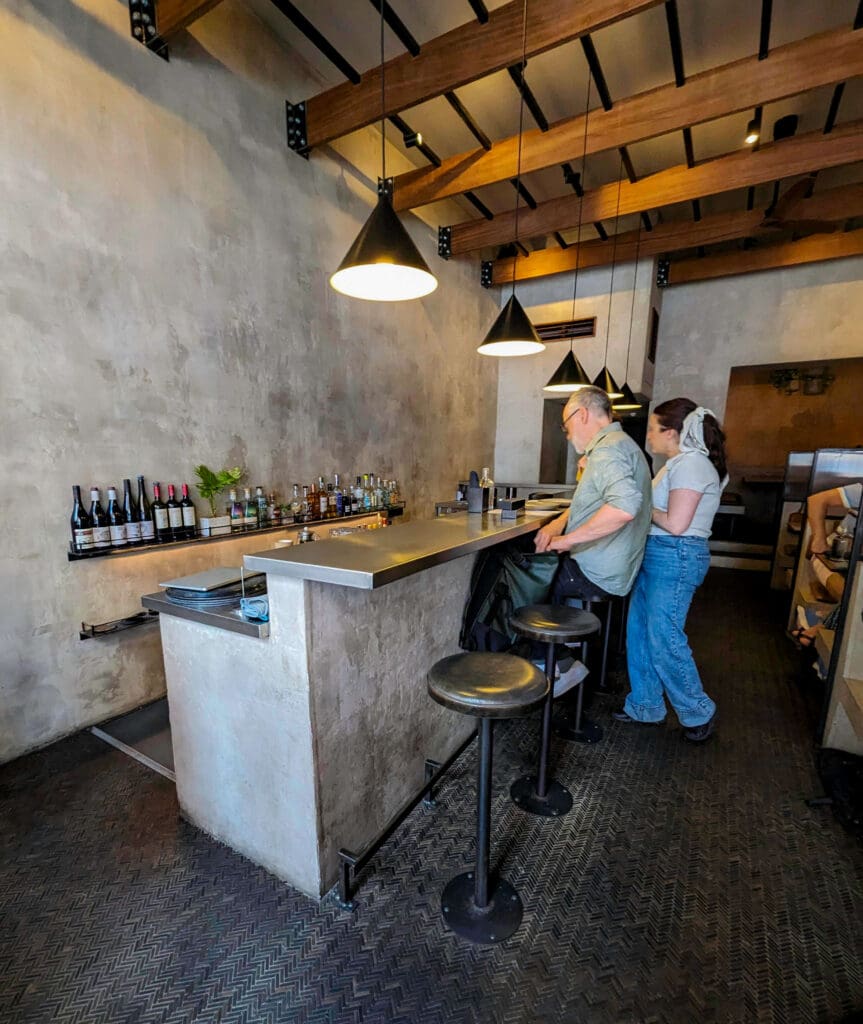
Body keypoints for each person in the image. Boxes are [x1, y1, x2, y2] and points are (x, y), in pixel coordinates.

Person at [615, 398, 728, 742]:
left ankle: (697, 712)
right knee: (640, 632)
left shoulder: (692, 465)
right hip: (660, 553)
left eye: (652, 429)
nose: (648, 436)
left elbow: (676, 524)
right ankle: (646, 705)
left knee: (665, 638)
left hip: (675, 554)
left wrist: (639, 503)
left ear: (672, 432)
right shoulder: (677, 464)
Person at [533, 386, 652, 697]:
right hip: (614, 568)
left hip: (598, 572)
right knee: (542, 572)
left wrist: (565, 542)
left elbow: (624, 507)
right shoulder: (623, 445)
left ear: (581, 414)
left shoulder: (607, 451)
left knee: (531, 581)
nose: (568, 434)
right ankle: (566, 653)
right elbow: (589, 503)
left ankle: (556, 666)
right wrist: (558, 526)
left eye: (566, 425)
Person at [789, 479, 861, 647]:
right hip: (830, 560)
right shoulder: (859, 492)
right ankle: (820, 631)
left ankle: (818, 626)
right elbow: (816, 500)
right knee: (854, 597)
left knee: (858, 595)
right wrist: (819, 540)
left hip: (857, 567)